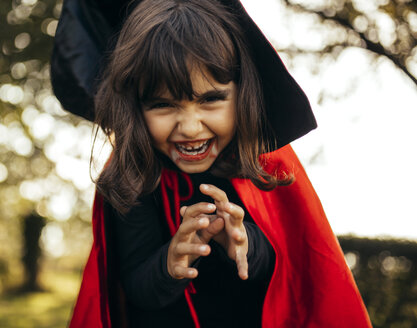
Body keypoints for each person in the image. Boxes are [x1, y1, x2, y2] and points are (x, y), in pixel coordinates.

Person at [51, 0, 372, 327]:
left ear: (242, 94)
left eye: (210, 100)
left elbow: (292, 273)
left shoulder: (264, 165)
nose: (190, 128)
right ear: (135, 107)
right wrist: (171, 263)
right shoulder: (132, 175)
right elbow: (135, 286)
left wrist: (246, 244)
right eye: (163, 104)